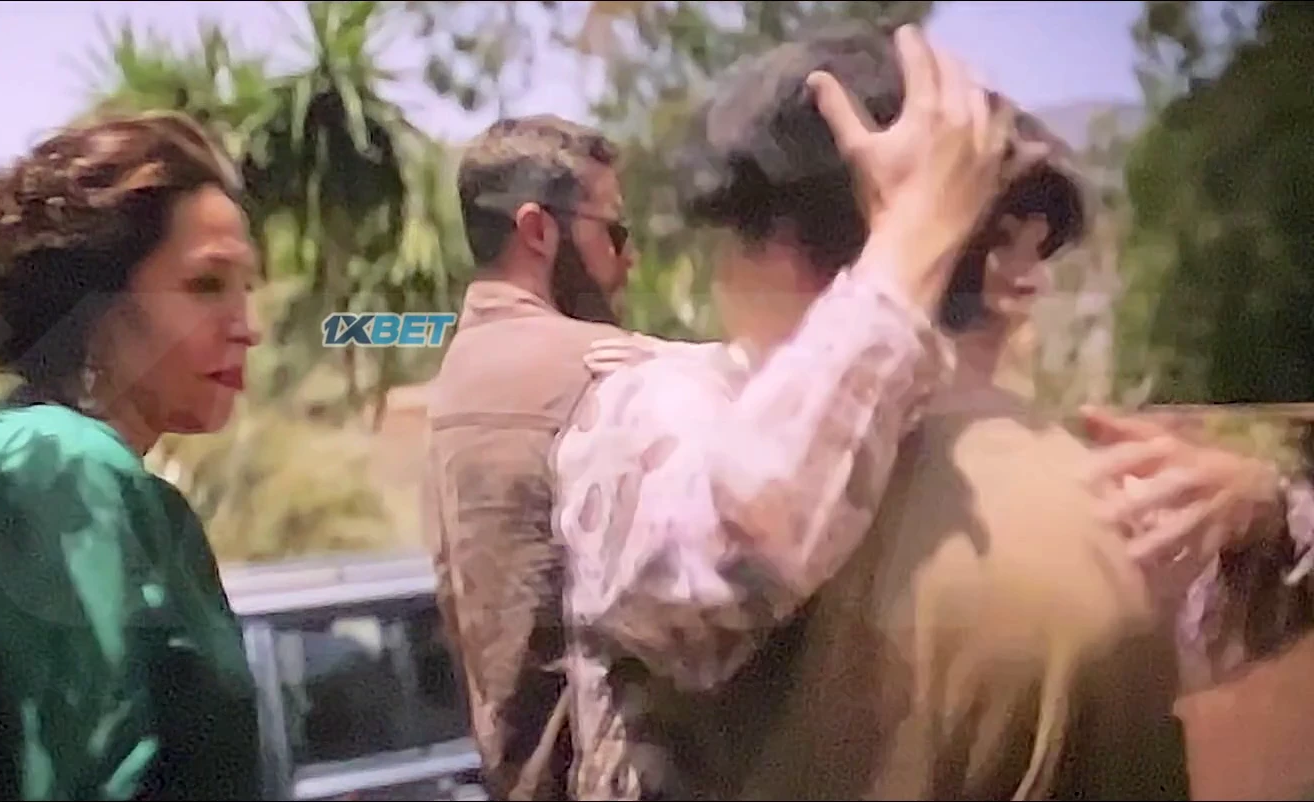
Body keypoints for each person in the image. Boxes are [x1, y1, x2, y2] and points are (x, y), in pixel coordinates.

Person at [555, 25, 1314, 801]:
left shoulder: (1014, 468)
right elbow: (711, 586)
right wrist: (913, 244)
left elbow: (1197, 639)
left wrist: (1268, 518)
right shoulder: (667, 410)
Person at [0, 111, 265, 801]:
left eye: (248, 288)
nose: (249, 327)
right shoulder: (53, 467)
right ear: (96, 302)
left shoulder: (104, 479)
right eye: (207, 286)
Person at [419, 114, 634, 800]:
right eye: (614, 233)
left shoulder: (456, 378)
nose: (628, 260)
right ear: (538, 230)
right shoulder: (606, 371)